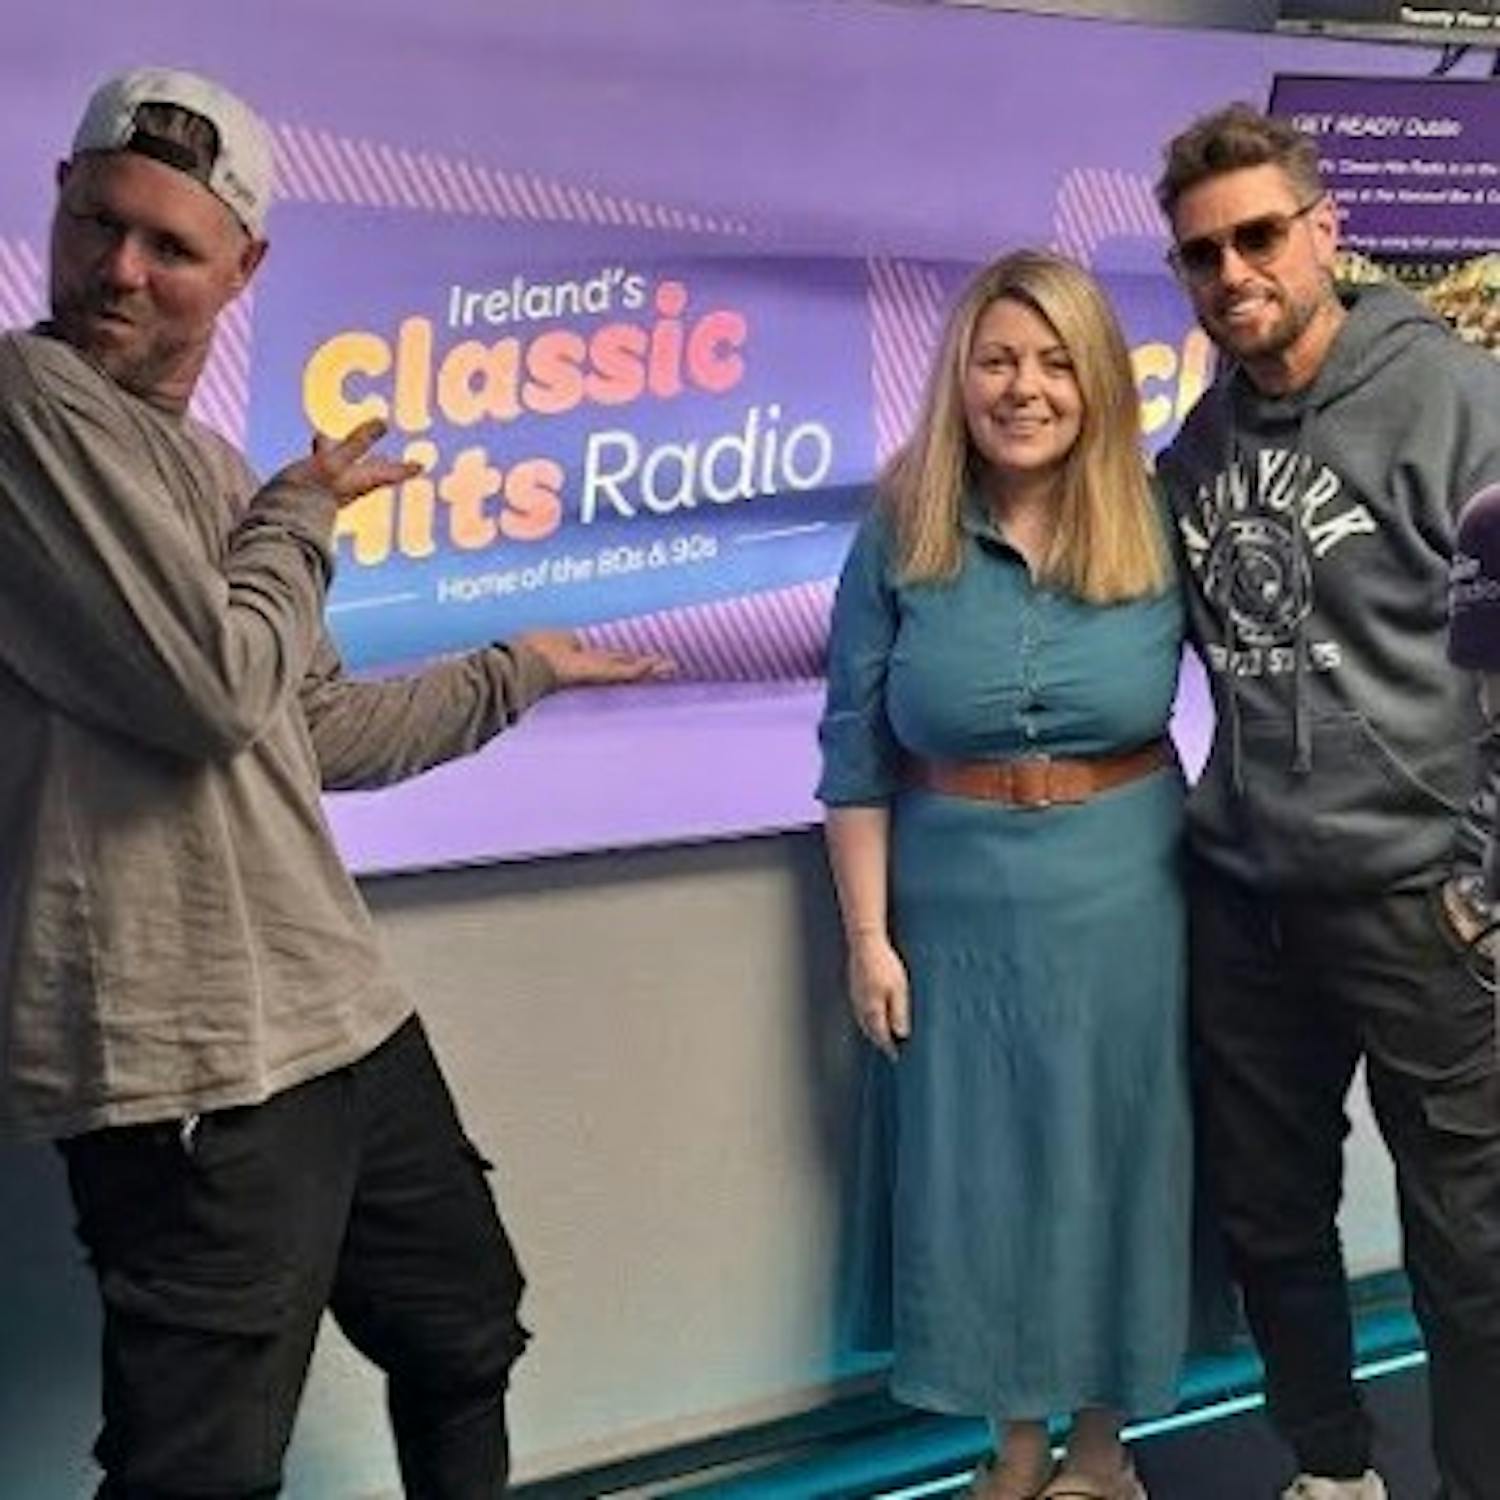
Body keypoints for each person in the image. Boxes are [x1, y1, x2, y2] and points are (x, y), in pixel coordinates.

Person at [0, 67, 667, 1498]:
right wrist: (302, 514)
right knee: (200, 1469)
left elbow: (312, 731)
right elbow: (213, 690)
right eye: (101, 222)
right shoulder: (25, 405)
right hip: (183, 1060)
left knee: (462, 1332)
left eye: (172, 246)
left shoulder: (210, 467)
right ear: (56, 200)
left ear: (243, 269)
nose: (122, 269)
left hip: (339, 1015)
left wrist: (518, 670)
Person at [1154, 103, 1500, 1500]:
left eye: (1259, 237)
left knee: (1473, 1245)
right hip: (1249, 904)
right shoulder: (1200, 445)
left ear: (1324, 231)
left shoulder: (1458, 404)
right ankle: (1333, 1471)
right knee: (1269, 1220)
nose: (1234, 273)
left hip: (1422, 905)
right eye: (1202, 254)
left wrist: (1484, 881)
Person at [818, 249, 1188, 1500]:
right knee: (981, 1175)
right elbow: (852, 752)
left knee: (1115, 1163)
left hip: (1134, 903)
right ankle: (1014, 1446)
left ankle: (1102, 1454)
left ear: (1097, 382)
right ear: (958, 378)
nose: (1024, 388)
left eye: (1053, 362)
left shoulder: (1158, 517)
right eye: (997, 361)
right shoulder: (899, 529)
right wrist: (867, 938)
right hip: (953, 915)